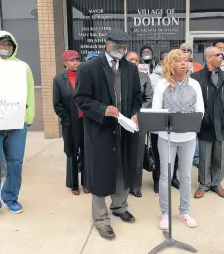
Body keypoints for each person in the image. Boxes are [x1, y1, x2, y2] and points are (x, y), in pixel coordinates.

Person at [73, 29, 141, 240]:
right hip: (100, 130)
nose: (121, 50)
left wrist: (135, 113)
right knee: (101, 174)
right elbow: (81, 98)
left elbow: (137, 96)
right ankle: (101, 219)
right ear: (107, 44)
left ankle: (119, 206)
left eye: (124, 47)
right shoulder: (89, 67)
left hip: (125, 128)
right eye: (117, 46)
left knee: (123, 170)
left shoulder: (130, 68)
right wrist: (103, 109)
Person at [0, 31, 35, 226]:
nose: (5, 48)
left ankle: (10, 197)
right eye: (2, 44)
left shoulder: (22, 67)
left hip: (16, 125)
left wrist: (28, 118)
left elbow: (29, 92)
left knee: (15, 164)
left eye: (9, 45)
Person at [152, 49, 204, 230]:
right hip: (166, 138)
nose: (184, 63)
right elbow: (156, 112)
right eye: (179, 60)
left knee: (186, 176)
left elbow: (200, 111)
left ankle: (184, 212)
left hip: (189, 137)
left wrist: (187, 122)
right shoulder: (162, 85)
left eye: (186, 60)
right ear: (170, 64)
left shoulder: (195, 85)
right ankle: (165, 213)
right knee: (165, 176)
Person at [192, 46, 224, 200]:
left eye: (222, 55)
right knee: (204, 157)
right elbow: (192, 101)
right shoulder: (196, 77)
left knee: (219, 156)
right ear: (208, 58)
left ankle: (216, 184)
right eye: (218, 55)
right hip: (205, 125)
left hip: (222, 124)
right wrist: (200, 117)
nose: (221, 57)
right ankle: (204, 184)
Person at [53, 50, 88, 195]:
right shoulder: (59, 79)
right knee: (72, 153)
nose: (75, 62)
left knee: (86, 152)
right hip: (70, 123)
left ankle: (87, 183)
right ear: (65, 62)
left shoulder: (85, 76)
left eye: (77, 59)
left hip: (85, 122)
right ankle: (74, 185)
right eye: (71, 60)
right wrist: (66, 120)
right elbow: (57, 103)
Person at [149, 49, 180, 193]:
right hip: (159, 123)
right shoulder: (153, 78)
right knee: (159, 153)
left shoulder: (180, 76)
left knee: (176, 153)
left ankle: (173, 177)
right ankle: (157, 180)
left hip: (176, 123)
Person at [126, 51, 153, 198]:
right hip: (121, 119)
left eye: (136, 60)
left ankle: (136, 186)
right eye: (131, 59)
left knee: (137, 155)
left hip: (139, 119)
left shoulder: (144, 77)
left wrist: (137, 111)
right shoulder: (119, 76)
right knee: (122, 153)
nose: (134, 62)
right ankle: (122, 185)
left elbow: (149, 96)